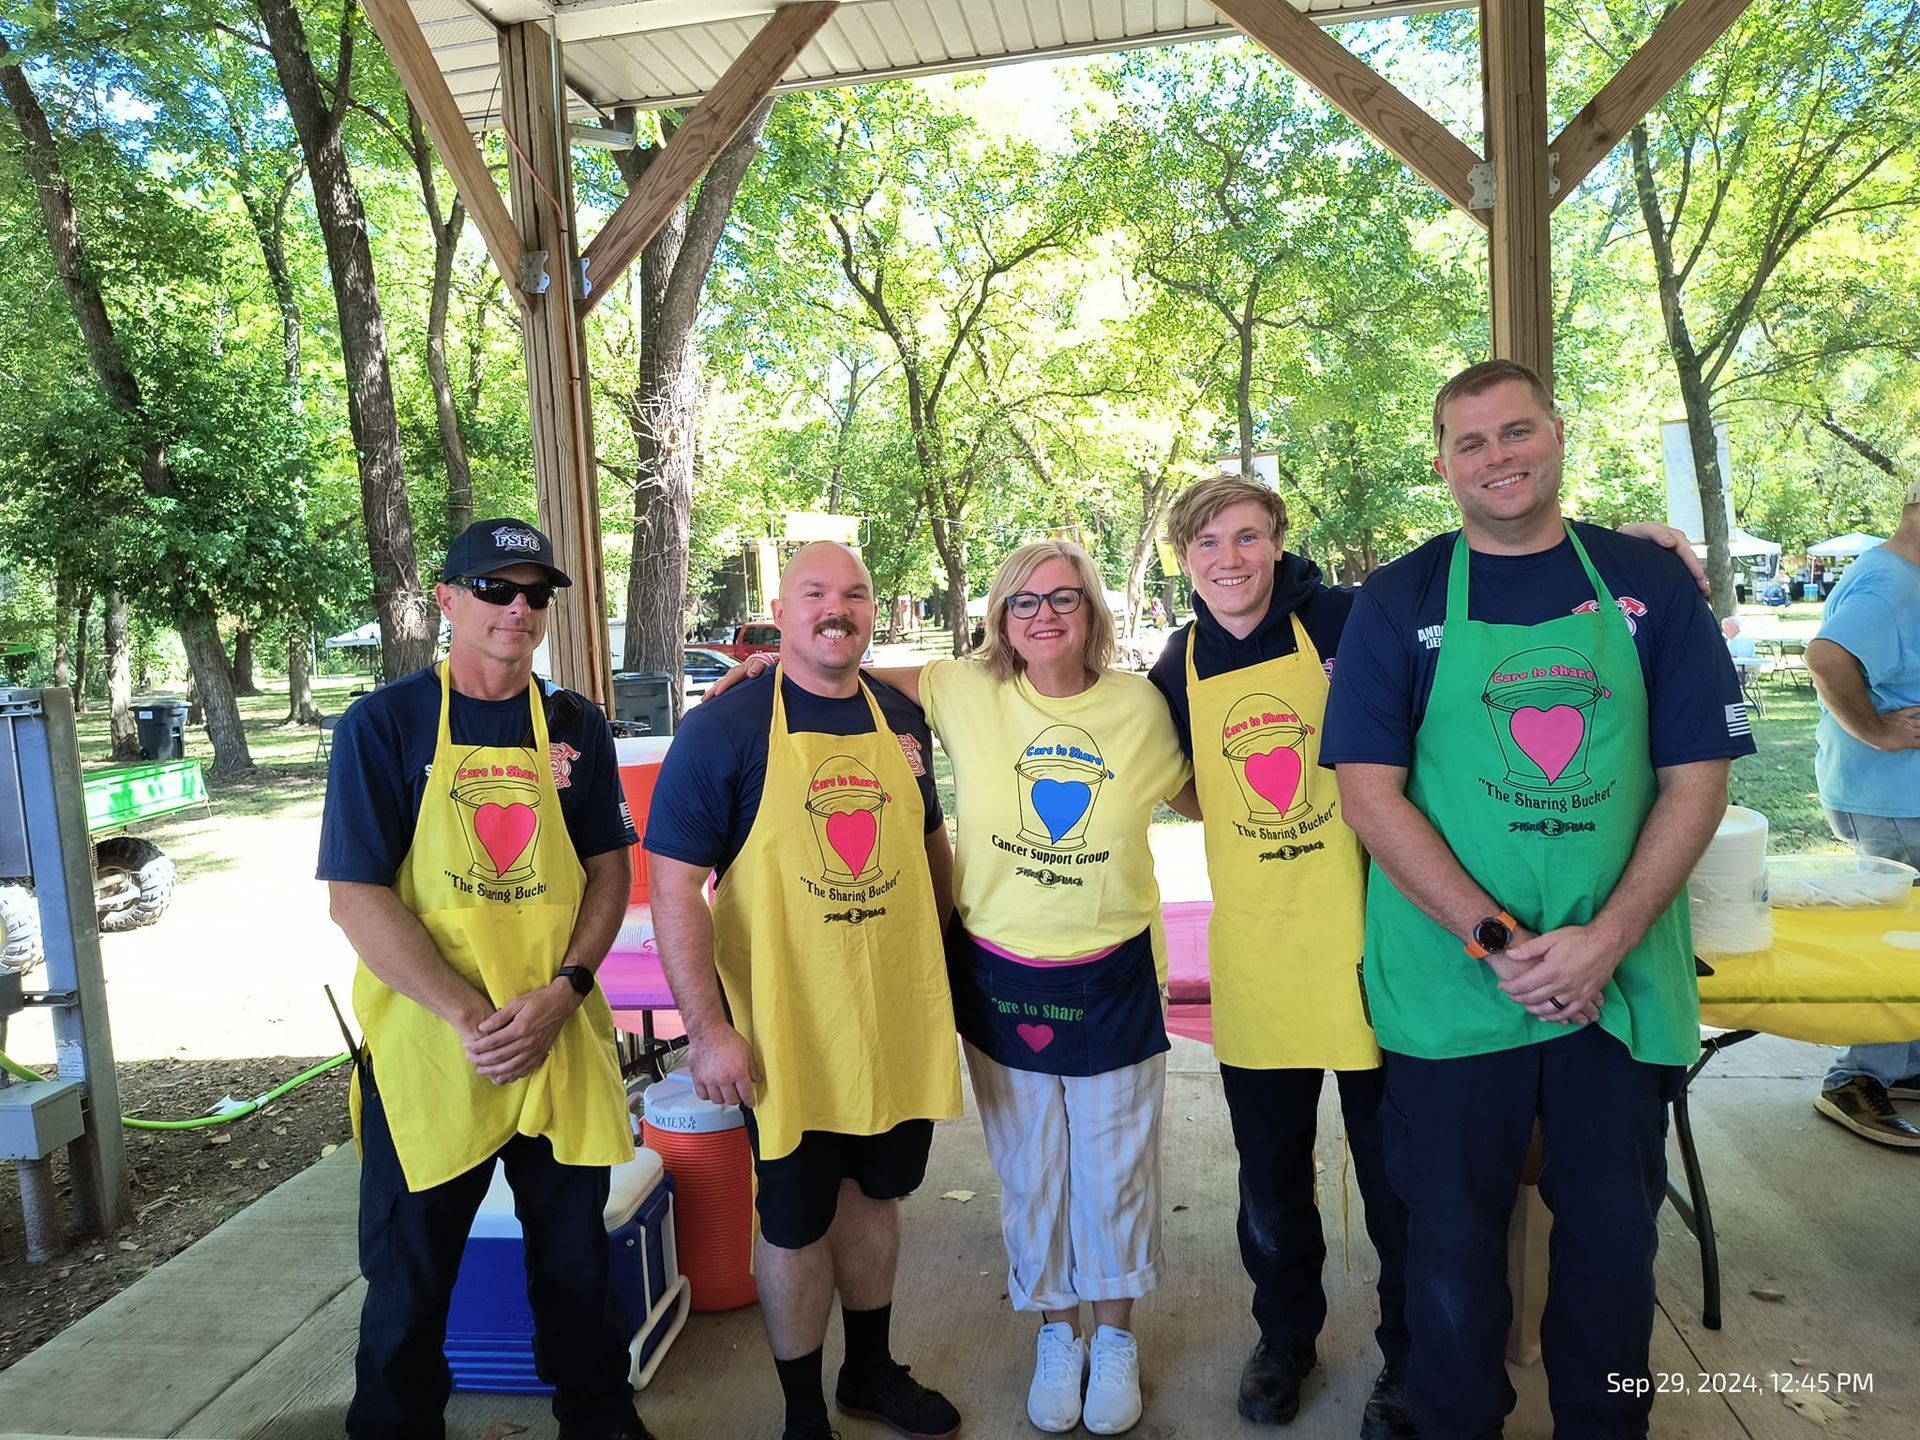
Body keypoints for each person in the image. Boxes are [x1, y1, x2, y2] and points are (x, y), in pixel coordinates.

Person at [1324, 360, 1754, 1440]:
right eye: (1471, 443)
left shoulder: (1650, 586)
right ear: (1441, 464)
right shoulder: (1399, 598)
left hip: (1614, 982)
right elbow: (1367, 793)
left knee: (1614, 1247)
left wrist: (1602, 941)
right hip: (1453, 985)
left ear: (1558, 438)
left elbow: (1697, 777)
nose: (1497, 458)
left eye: (1517, 433)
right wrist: (1495, 937)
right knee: (1451, 1248)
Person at [710, 541, 1193, 1435]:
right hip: (1000, 974)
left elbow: (1205, 796)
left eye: (1063, 599)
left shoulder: (1140, 707)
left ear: (1093, 610)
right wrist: (776, 656)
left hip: (1115, 973)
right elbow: (851, 655)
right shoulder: (962, 689)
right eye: (1021, 603)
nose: (1042, 616)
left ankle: (1114, 1340)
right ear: (998, 619)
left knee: (1116, 1171)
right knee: (1032, 1171)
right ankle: (1058, 1332)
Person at [319, 518, 652, 1440]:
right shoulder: (382, 725)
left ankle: (600, 1418)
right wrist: (471, 1015)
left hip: (557, 1038)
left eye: (535, 594)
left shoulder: (578, 725)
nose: (518, 609)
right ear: (447, 599)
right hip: (432, 1049)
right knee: (410, 1283)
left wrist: (566, 990)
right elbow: (355, 896)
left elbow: (609, 869)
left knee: (579, 1270)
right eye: (496, 589)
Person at [644, 542, 964, 1440]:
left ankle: (869, 1373)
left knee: (877, 1199)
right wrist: (707, 1030)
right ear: (777, 613)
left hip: (893, 1020)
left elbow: (931, 842)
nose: (837, 608)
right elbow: (674, 885)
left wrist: (931, 962)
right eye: (814, 593)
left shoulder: (901, 719)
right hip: (785, 1033)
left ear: (873, 613)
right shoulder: (726, 728)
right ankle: (800, 1414)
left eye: (855, 594)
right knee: (793, 1222)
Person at [1147, 474, 1413, 1438]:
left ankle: (1409, 1360)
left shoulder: (1347, 620)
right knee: (1271, 1183)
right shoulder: (1174, 665)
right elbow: (1175, 780)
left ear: (1277, 542)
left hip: (1375, 948)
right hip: (1259, 953)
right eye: (1210, 542)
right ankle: (1285, 1338)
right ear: (1186, 558)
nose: (1231, 559)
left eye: (1248, 537)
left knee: (1398, 1187)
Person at [1805, 478, 1920, 1148]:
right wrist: (1877, 730)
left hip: (1895, 799)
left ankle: (1900, 1061)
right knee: (1900, 942)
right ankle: (1856, 1076)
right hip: (1892, 803)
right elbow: (1826, 658)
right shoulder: (1891, 585)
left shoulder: (1900, 574)